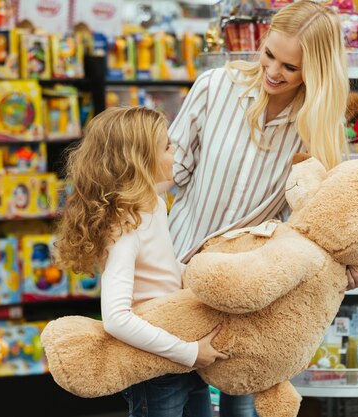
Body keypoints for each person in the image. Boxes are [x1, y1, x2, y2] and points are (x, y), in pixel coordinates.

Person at [166, 2, 358, 416]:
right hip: (178, 270)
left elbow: (322, 221)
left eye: (290, 67)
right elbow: (168, 172)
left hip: (252, 289)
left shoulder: (318, 125)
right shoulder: (215, 87)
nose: (273, 71)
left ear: (316, 71)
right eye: (269, 54)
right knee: (171, 397)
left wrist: (352, 266)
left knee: (242, 403)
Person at [54, 106, 228, 417]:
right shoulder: (126, 227)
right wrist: (189, 352)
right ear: (141, 161)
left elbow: (163, 271)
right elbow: (117, 318)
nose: (176, 151)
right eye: (167, 146)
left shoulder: (153, 205)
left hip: (182, 355)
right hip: (157, 370)